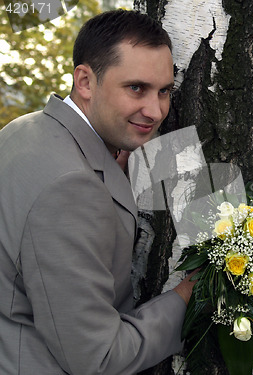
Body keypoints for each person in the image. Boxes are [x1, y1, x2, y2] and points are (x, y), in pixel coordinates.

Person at [0, 10, 196, 375]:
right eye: (136, 88)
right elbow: (98, 357)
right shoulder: (70, 188)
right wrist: (187, 298)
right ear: (86, 81)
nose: (155, 111)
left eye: (165, 91)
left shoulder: (23, 129)